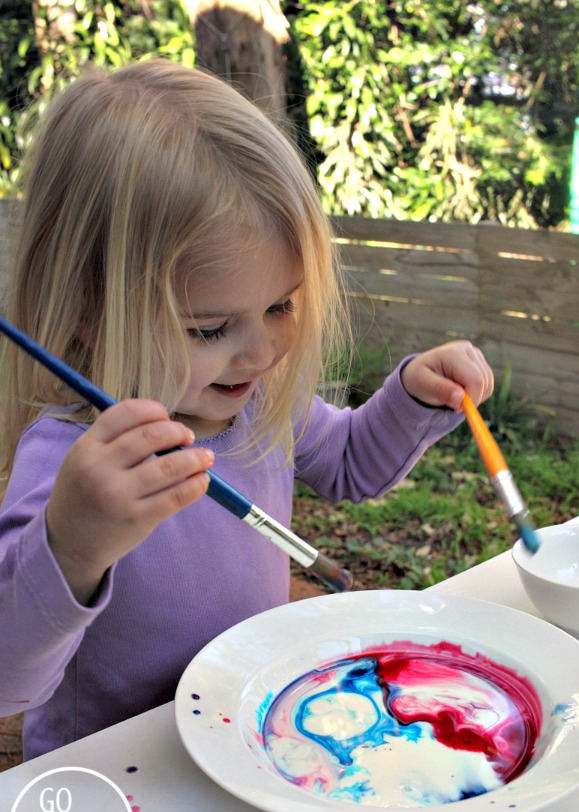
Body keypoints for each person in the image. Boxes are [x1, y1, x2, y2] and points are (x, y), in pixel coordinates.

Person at [0, 60, 493, 760]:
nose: (261, 351)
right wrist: (74, 542)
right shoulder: (72, 461)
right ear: (87, 313)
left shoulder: (258, 402)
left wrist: (414, 393)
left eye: (280, 305)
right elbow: (7, 681)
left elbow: (353, 464)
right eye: (209, 328)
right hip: (124, 776)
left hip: (248, 742)